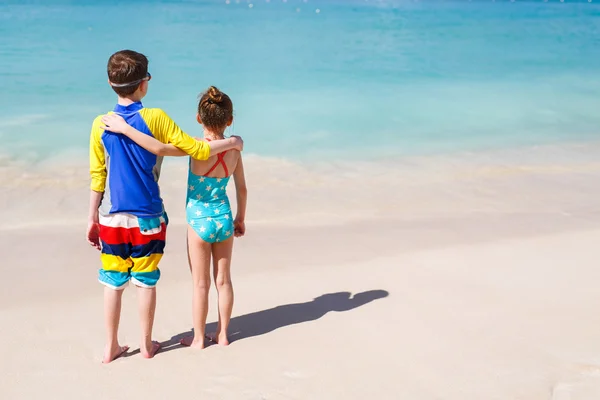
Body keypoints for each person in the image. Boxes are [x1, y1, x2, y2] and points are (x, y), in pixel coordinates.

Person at [88, 50, 243, 363]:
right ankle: (146, 345)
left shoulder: (99, 124)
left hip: (112, 216)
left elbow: (97, 175)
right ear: (145, 84)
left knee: (112, 280)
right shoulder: (155, 118)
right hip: (149, 215)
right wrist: (234, 142)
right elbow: (195, 148)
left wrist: (92, 216)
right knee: (145, 279)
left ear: (109, 83)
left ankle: (110, 347)